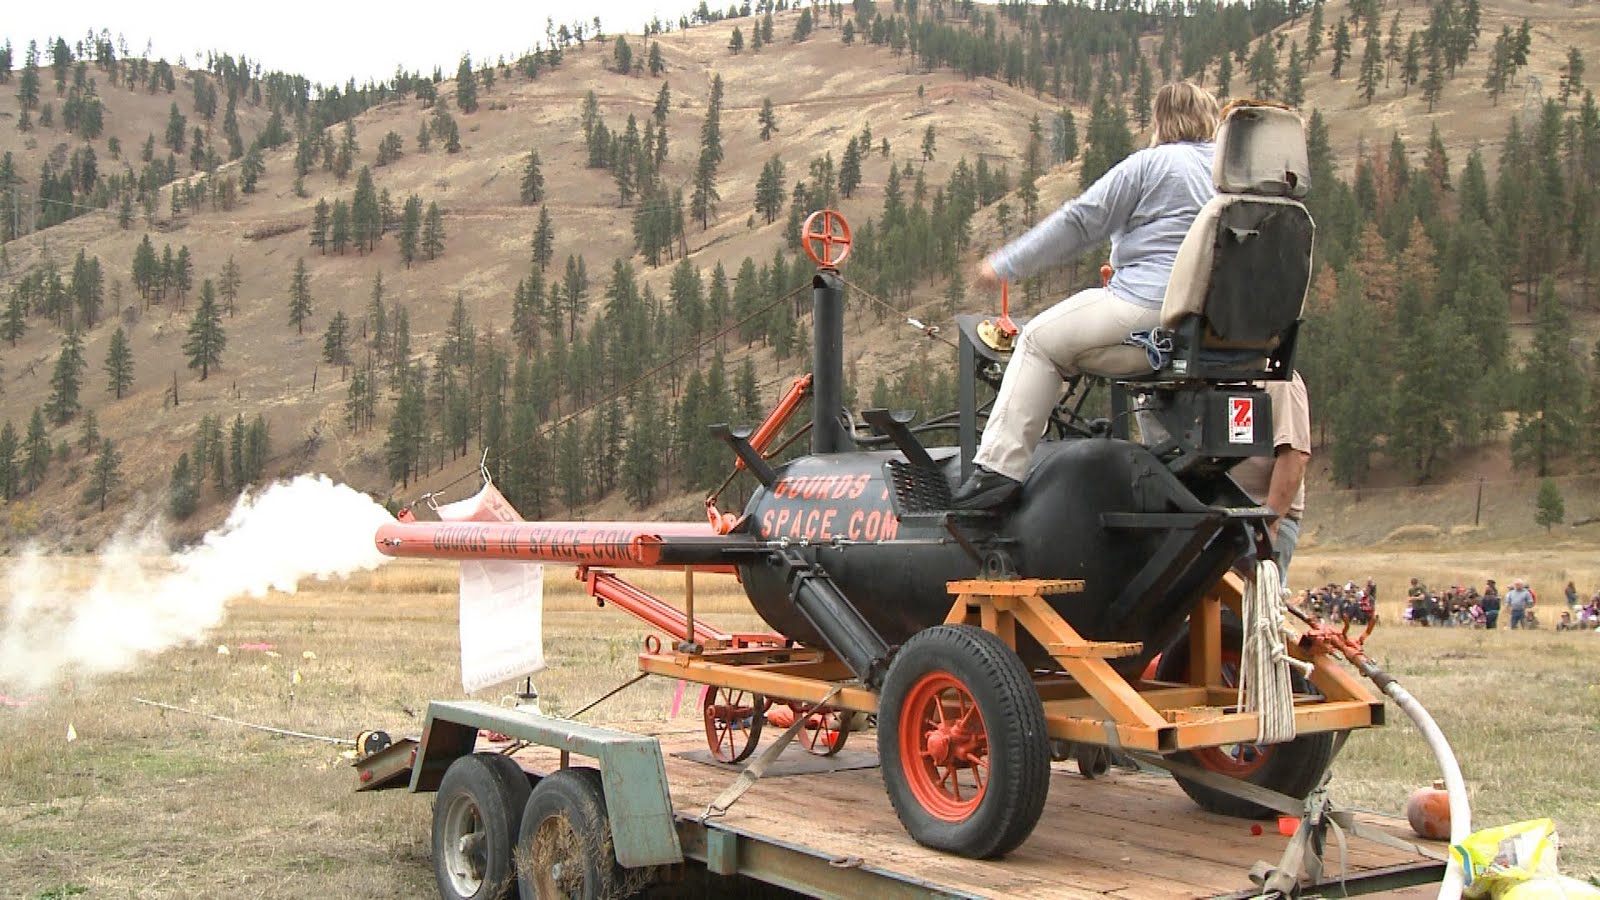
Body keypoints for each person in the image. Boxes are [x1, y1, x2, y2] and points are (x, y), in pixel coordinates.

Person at [953, 81, 1222, 509]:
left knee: (1040, 340)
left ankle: (997, 474)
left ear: (1160, 119)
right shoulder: (1233, 178)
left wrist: (1007, 263)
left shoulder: (1150, 165)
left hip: (1151, 308)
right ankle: (1171, 478)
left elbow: (1080, 222)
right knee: (1093, 355)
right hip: (1215, 330)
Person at [1226, 373, 1311, 586]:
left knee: (1251, 610)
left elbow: (1294, 455)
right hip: (1205, 518)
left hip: (1259, 519)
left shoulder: (1276, 379)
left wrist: (1268, 522)